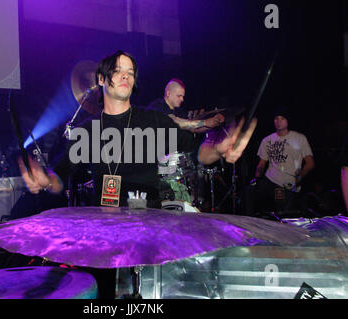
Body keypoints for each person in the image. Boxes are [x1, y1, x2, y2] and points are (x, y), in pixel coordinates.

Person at [18, 50, 257, 298]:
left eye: (130, 73)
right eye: (118, 71)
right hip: (108, 235)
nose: (125, 77)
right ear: (101, 79)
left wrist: (218, 149)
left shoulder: (153, 120)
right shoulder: (88, 130)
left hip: (151, 232)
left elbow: (198, 153)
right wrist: (46, 180)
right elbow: (59, 177)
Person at [245, 108, 315, 216]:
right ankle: (249, 223)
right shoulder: (267, 140)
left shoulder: (299, 138)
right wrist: (257, 178)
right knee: (249, 191)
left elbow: (310, 164)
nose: (278, 121)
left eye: (282, 118)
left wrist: (299, 177)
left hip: (288, 182)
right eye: (276, 119)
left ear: (288, 121)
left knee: (282, 208)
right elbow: (262, 163)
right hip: (270, 179)